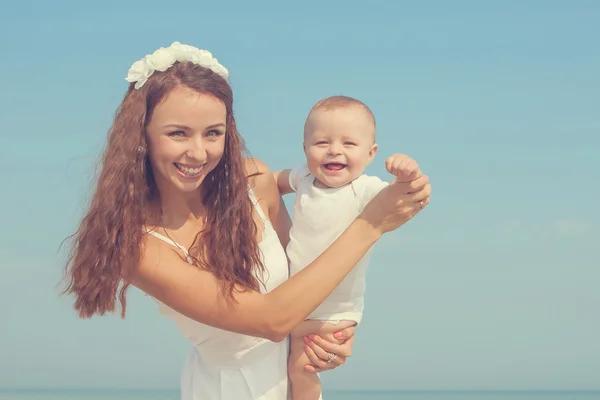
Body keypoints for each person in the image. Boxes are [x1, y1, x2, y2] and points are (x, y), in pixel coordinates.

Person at [61, 42, 431, 400]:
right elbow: (271, 320)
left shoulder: (255, 184)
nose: (197, 151)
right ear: (141, 136)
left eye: (213, 133)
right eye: (178, 133)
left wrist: (328, 332)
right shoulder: (140, 247)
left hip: (293, 376)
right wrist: (371, 224)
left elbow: (304, 281)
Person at [273, 95, 422, 400]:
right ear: (305, 149)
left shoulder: (364, 189)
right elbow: (272, 182)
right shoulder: (303, 177)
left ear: (371, 153)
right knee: (283, 373)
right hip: (295, 301)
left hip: (333, 310)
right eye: (322, 142)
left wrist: (407, 173)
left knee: (301, 370)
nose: (334, 150)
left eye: (349, 144)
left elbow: (401, 197)